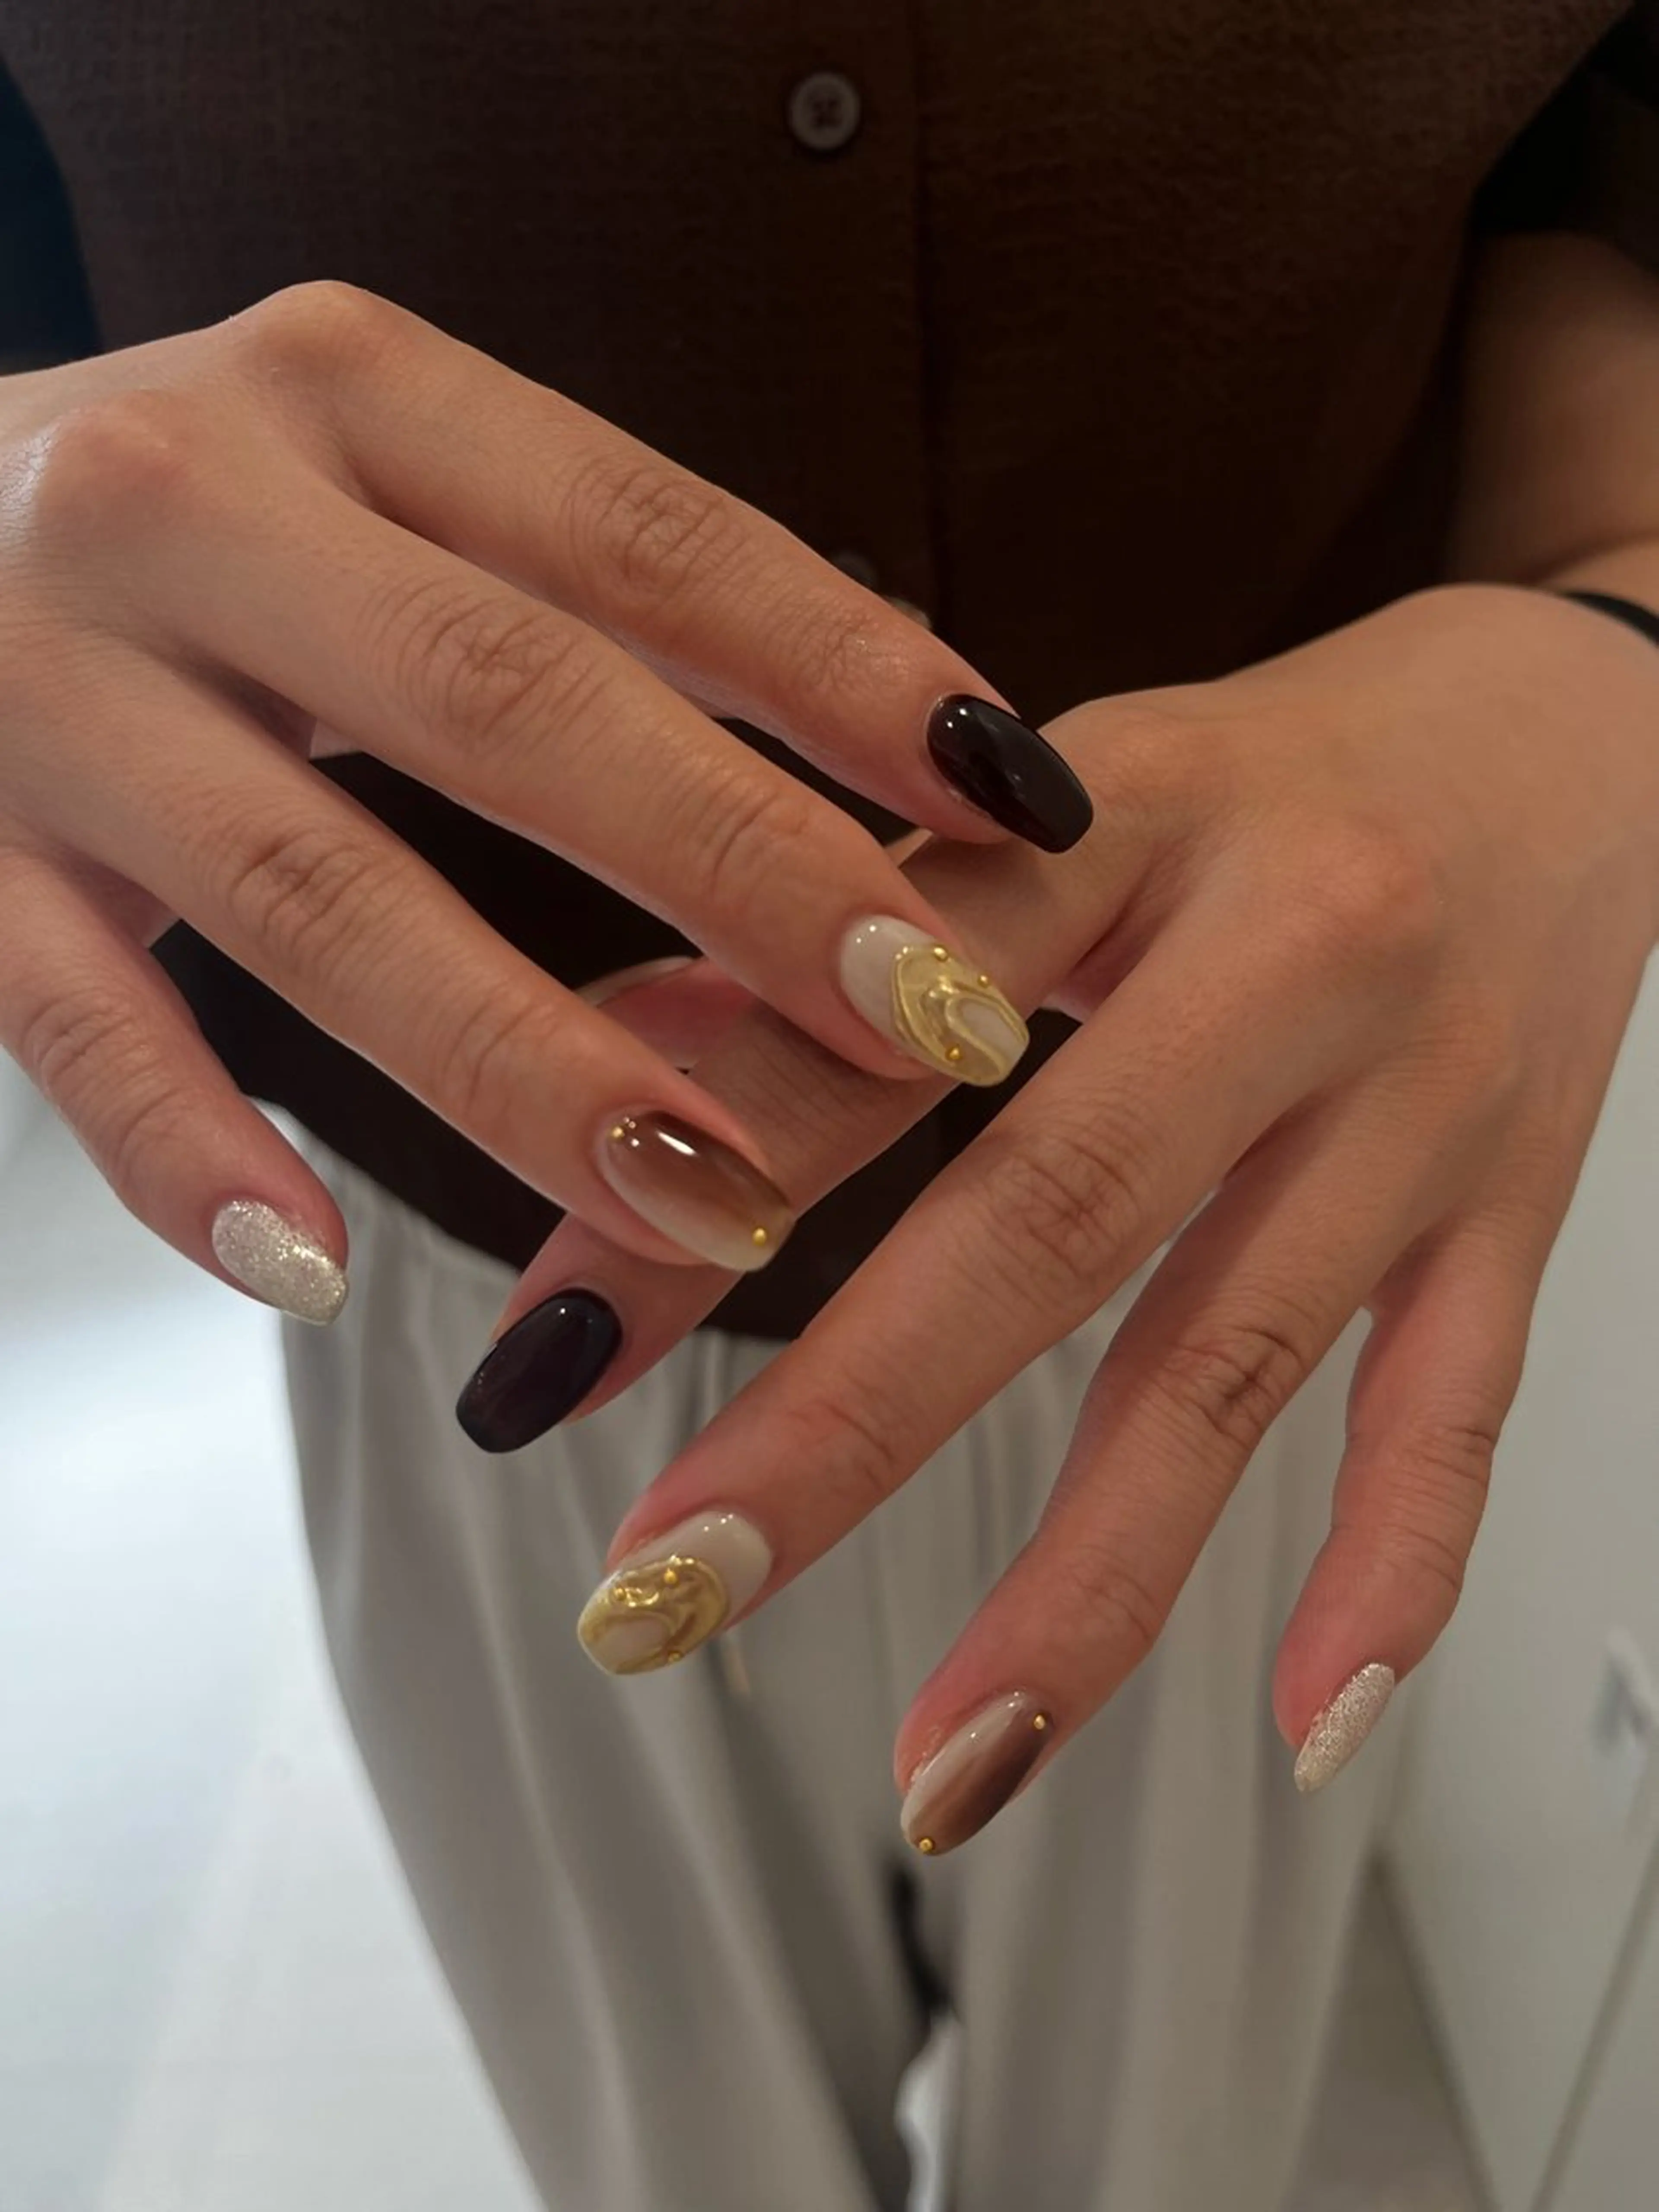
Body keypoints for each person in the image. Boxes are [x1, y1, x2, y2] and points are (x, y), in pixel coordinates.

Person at [3, 6, 1659, 2206]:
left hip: (1239, 1256)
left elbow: (1604, 147)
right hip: (483, 1289)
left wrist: (1615, 632)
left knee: (1167, 2162)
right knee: (667, 2160)